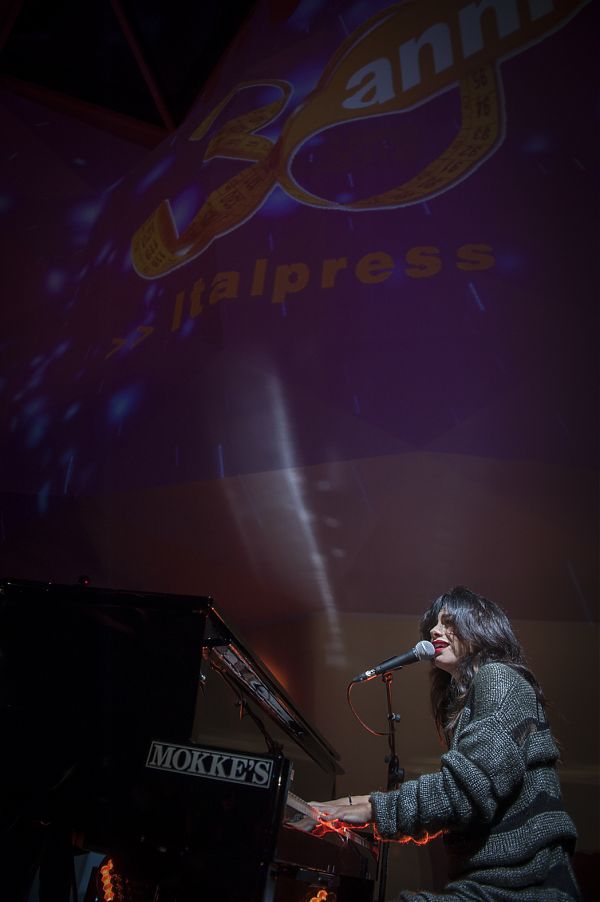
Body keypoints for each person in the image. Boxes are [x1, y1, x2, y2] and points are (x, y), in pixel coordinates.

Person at [312, 586, 581, 900]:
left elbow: (465, 792)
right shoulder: (475, 698)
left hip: (525, 892)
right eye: (434, 624)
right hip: (494, 888)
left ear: (481, 626)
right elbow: (465, 789)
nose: (434, 631)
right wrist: (356, 804)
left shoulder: (498, 677)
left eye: (449, 622)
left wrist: (370, 808)